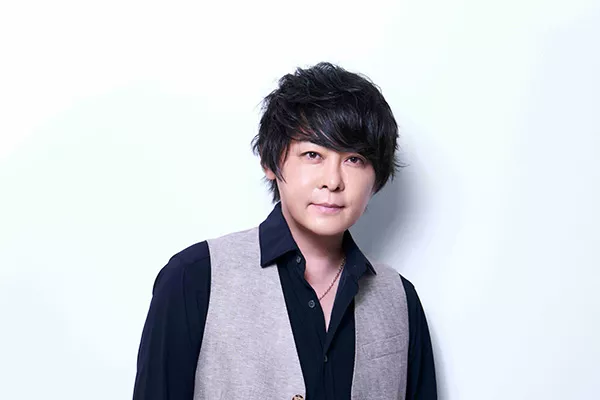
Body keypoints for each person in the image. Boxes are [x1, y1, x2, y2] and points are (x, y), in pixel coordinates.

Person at [133, 62, 437, 399]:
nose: (333, 181)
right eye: (313, 154)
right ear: (270, 161)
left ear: (376, 176)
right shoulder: (194, 279)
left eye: (354, 159)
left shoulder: (399, 298)